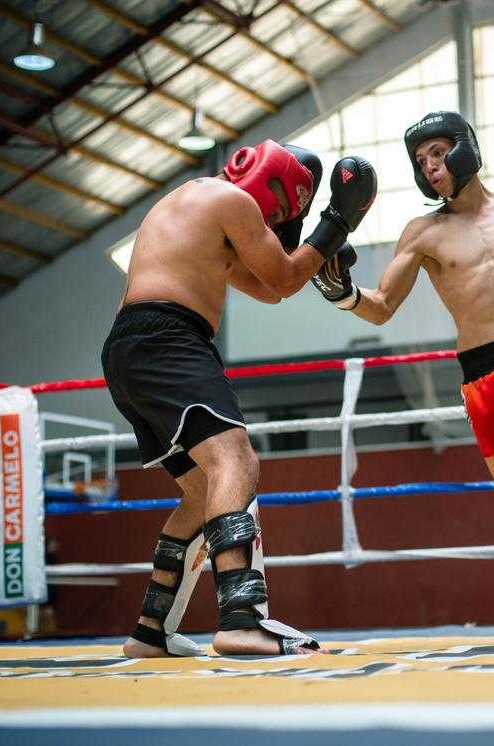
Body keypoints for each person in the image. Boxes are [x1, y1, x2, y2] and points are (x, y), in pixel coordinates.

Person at [311, 111, 494, 640]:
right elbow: (381, 307)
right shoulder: (423, 233)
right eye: (420, 159)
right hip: (479, 374)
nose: (430, 166)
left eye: (437, 151)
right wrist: (342, 292)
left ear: (465, 149)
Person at [102, 139, 377, 657]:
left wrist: (302, 236)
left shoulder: (196, 207)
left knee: (203, 491)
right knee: (237, 463)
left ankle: (150, 630)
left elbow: (271, 289)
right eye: (285, 210)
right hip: (169, 339)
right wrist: (337, 220)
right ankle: (242, 620)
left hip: (127, 349)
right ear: (275, 191)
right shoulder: (233, 203)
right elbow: (285, 276)